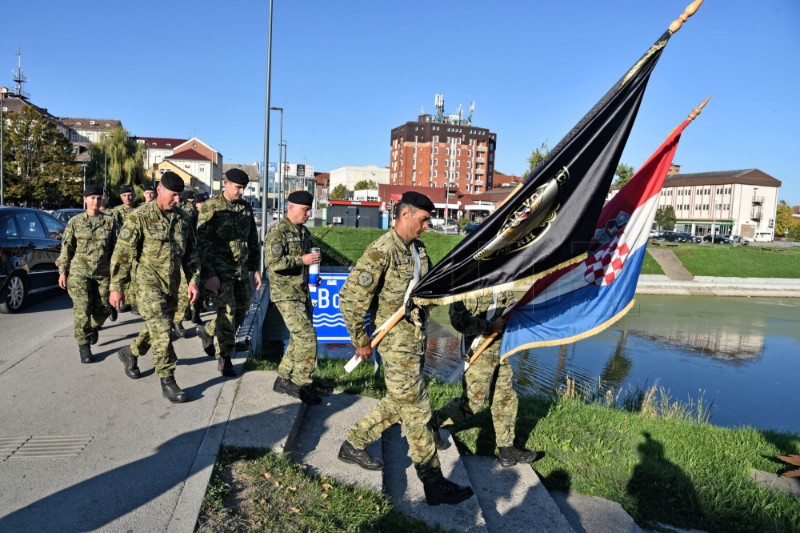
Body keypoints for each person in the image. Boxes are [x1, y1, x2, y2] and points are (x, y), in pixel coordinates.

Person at [336, 191, 473, 506]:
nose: (426, 225)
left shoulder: (418, 249)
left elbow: (428, 287)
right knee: (418, 409)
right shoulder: (381, 251)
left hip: (416, 340)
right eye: (423, 219)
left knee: (398, 402)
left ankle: (353, 443)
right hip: (394, 343)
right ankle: (434, 483)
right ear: (406, 214)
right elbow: (350, 299)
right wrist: (359, 339)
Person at [109, 172, 200, 403]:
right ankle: (168, 380)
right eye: (173, 195)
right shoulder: (140, 216)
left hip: (172, 283)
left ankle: (130, 352)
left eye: (180, 196)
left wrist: (193, 281)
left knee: (157, 327)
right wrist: (116, 286)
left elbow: (191, 254)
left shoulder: (181, 219)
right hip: (147, 283)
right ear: (159, 190)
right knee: (162, 330)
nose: (177, 200)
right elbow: (122, 253)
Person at [430, 291, 538, 467]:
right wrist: (489, 326)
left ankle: (507, 449)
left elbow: (512, 306)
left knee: (505, 398)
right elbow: (459, 321)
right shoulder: (468, 282)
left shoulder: (502, 280)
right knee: (472, 403)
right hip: (478, 350)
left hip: (501, 348)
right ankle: (433, 422)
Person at [196, 169, 262, 377]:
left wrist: (255, 268)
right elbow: (202, 244)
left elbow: (252, 239)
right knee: (228, 313)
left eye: (244, 188)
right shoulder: (211, 208)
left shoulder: (245, 208)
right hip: (220, 271)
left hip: (241, 271)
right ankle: (224, 357)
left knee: (241, 311)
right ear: (226, 184)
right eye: (238, 187)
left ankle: (207, 331)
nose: (241, 192)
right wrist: (209, 275)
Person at [264, 190, 323, 405]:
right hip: (285, 294)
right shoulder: (278, 231)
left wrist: (313, 277)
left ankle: (283, 378)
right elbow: (273, 263)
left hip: (302, 292)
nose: (308, 213)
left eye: (309, 209)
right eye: (305, 209)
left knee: (299, 338)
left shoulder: (304, 233)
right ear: (291, 207)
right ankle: (301, 383)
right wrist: (302, 260)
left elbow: (305, 263)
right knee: (307, 336)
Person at [56, 184, 118, 363]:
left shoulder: (110, 221)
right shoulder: (75, 222)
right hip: (79, 272)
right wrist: (63, 271)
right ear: (85, 200)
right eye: (92, 198)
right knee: (82, 309)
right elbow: (66, 248)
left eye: (99, 198)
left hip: (102, 273)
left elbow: (117, 249)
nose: (95, 201)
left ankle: (93, 328)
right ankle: (84, 346)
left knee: (104, 308)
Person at [172, 190, 198, 337]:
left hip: (181, 260)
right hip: (154, 270)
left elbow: (193, 231)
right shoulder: (145, 212)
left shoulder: (187, 211)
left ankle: (177, 320)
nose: (177, 197)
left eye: (178, 194)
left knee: (184, 294)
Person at [110, 184, 138, 317]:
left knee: (135, 275)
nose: (128, 198)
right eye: (125, 196)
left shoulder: (140, 210)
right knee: (122, 274)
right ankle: (122, 300)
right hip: (120, 248)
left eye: (131, 195)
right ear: (120, 197)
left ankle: (134, 302)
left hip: (137, 248)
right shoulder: (115, 212)